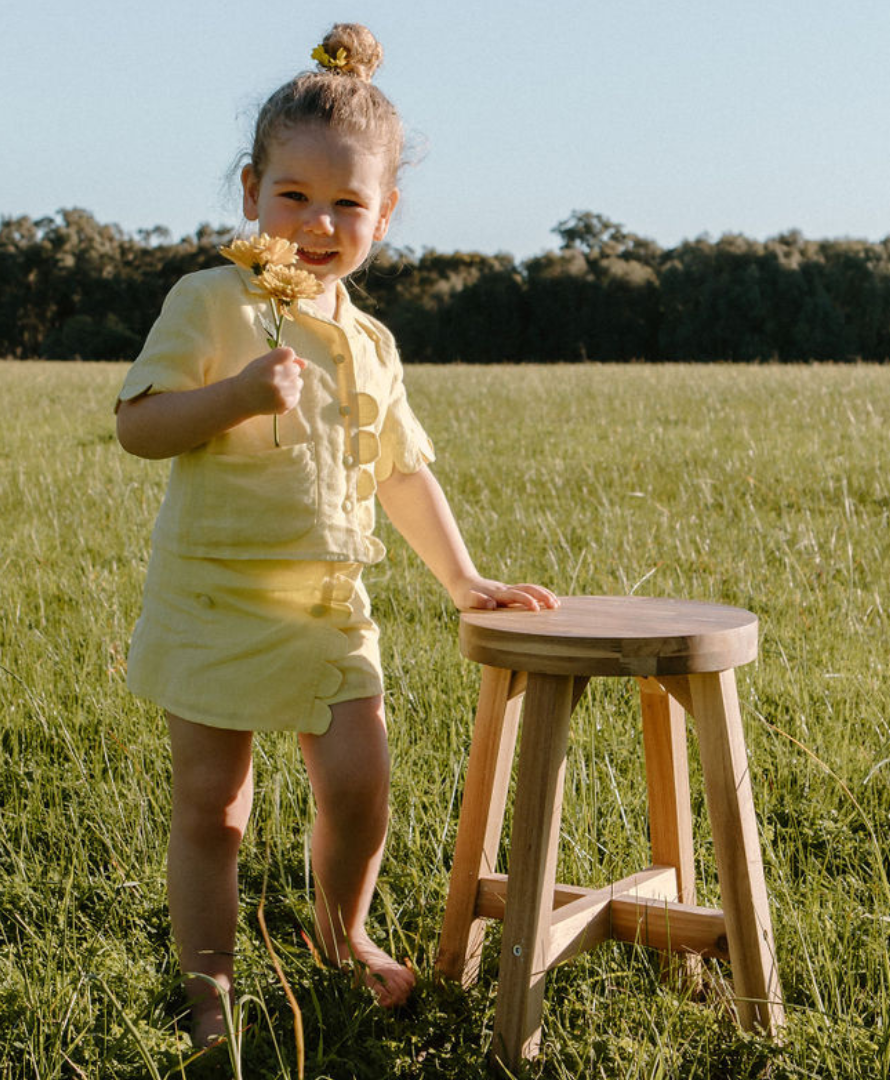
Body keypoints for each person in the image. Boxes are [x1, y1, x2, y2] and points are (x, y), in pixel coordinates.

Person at [115, 22, 559, 1045]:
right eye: (294, 197)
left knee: (361, 789)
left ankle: (337, 934)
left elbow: (400, 469)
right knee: (213, 811)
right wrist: (230, 395)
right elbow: (138, 426)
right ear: (248, 195)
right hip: (215, 598)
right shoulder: (212, 301)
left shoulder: (371, 340)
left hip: (327, 606)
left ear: (387, 215)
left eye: (349, 203)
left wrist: (464, 578)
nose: (319, 224)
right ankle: (209, 990)